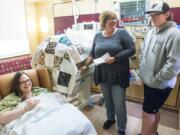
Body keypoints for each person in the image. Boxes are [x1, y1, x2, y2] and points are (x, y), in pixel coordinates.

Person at [80, 10, 135, 135]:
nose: (114, 21)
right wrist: (85, 66)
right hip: (103, 73)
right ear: (104, 21)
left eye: (115, 19)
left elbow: (132, 49)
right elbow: (92, 54)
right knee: (108, 100)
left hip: (118, 74)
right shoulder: (98, 35)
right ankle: (110, 119)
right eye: (111, 19)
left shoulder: (122, 33)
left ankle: (121, 127)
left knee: (119, 102)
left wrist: (115, 58)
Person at [138, 2, 180, 135]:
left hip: (159, 84)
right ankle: (154, 132)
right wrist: (142, 68)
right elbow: (143, 51)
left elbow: (174, 65)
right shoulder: (152, 31)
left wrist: (157, 79)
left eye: (156, 14)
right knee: (153, 110)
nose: (152, 17)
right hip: (149, 80)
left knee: (147, 112)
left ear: (167, 14)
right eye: (151, 15)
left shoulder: (175, 35)